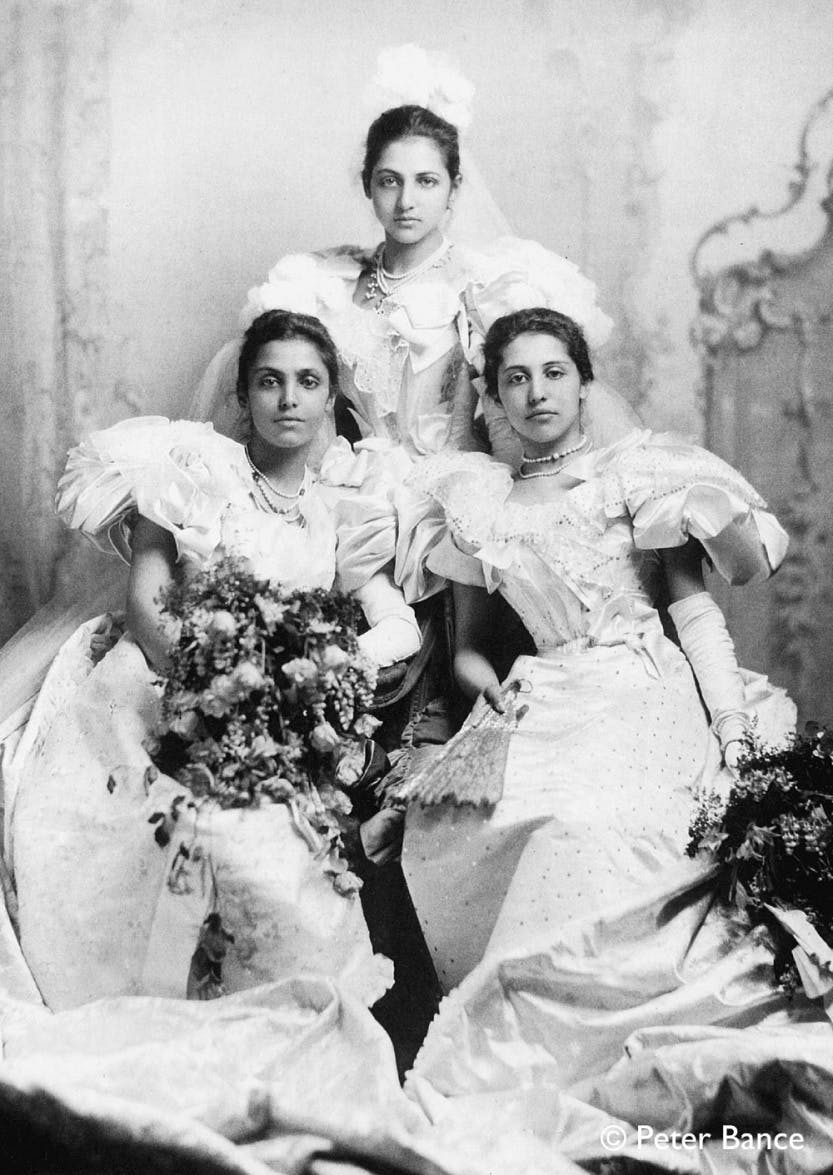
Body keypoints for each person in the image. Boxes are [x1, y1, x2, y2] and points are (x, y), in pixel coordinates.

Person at [391, 301, 833, 1114]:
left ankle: (630, 1038)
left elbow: (693, 612)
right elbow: (470, 641)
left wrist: (732, 733)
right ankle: (545, 1057)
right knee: (497, 821)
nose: (536, 393)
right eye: (514, 378)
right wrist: (480, 672)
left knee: (589, 825)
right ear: (493, 395)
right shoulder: (478, 501)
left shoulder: (636, 475)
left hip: (638, 683)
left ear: (585, 384)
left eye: (553, 372)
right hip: (546, 689)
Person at [2, 308, 421, 1015]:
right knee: (151, 827)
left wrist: (318, 664)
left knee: (275, 857)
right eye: (269, 381)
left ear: (329, 399)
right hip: (159, 685)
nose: (288, 399)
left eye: (307, 382)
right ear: (242, 396)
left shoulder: (340, 515)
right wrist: (215, 691)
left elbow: (399, 625)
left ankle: (265, 1011)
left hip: (268, 713)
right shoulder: (194, 474)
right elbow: (148, 605)